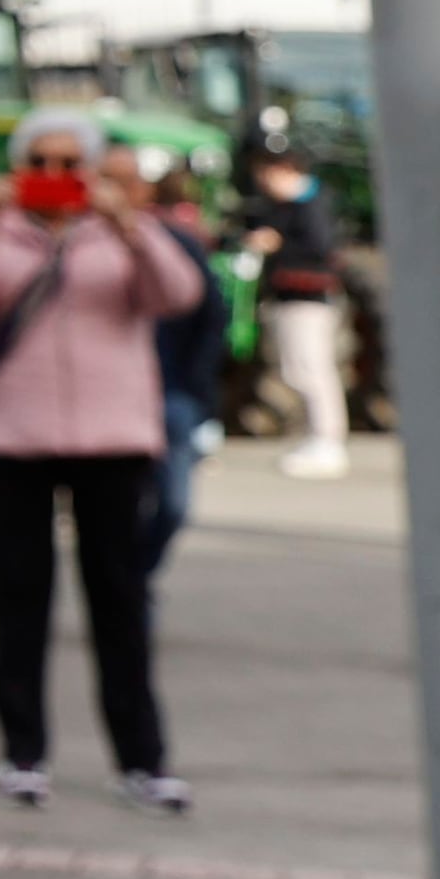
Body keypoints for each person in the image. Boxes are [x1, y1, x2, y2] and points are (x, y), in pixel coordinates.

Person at [0, 105, 203, 811]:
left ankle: (142, 758)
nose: (56, 178)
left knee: (119, 601)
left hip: (112, 439)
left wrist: (129, 225)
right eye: (41, 164)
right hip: (15, 438)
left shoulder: (118, 235)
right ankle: (24, 753)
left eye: (70, 165)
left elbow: (178, 294)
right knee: (21, 598)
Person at [132, 148, 230, 575]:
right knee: (126, 510)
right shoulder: (83, 247)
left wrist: (198, 392)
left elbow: (209, 317)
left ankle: (136, 581)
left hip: (174, 393)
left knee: (173, 505)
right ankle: (129, 597)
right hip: (120, 403)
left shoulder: (177, 243)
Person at [242, 143, 351, 479]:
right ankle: (317, 436)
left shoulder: (310, 206)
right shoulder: (285, 206)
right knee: (297, 369)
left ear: (285, 170)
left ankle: (327, 440)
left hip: (308, 298)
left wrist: (277, 245)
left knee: (311, 369)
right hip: (290, 297)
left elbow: (319, 248)